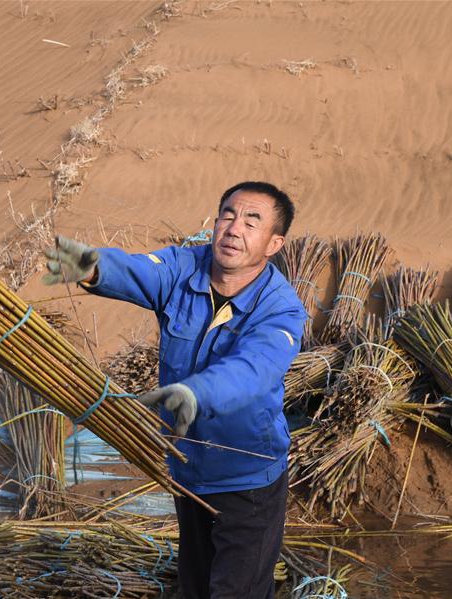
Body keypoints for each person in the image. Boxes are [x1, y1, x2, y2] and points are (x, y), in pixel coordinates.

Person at [42, 181, 305, 598]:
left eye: (251, 222)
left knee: (239, 592)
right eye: (228, 215)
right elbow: (141, 270)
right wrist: (95, 268)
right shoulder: (184, 267)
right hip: (188, 470)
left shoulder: (281, 309)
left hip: (247, 479)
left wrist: (196, 394)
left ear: (274, 243)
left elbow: (253, 370)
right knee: (196, 586)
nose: (234, 229)